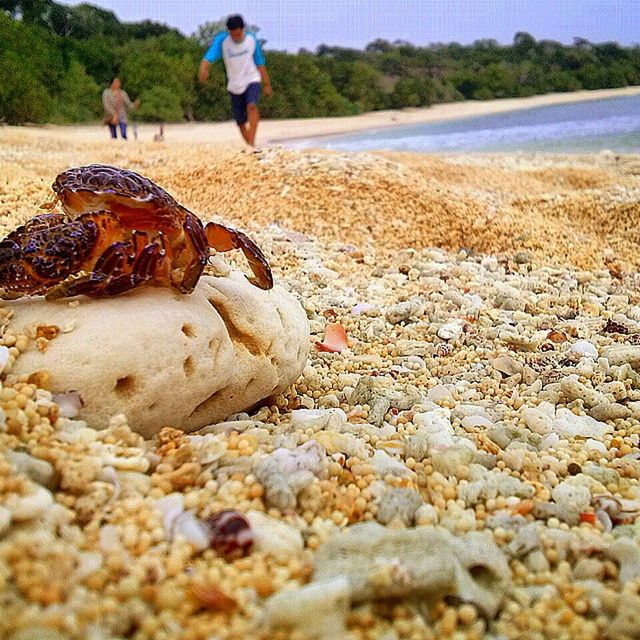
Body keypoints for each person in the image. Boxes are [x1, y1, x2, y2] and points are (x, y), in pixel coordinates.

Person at [198, 14, 272, 147]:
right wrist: (204, 68)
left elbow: (260, 62)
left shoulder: (251, 39)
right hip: (234, 85)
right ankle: (252, 148)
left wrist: (267, 84)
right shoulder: (223, 41)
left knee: (252, 106)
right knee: (241, 122)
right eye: (233, 35)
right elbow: (208, 56)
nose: (236, 38)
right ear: (229, 32)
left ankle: (251, 143)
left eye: (238, 34)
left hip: (252, 78)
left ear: (243, 29)